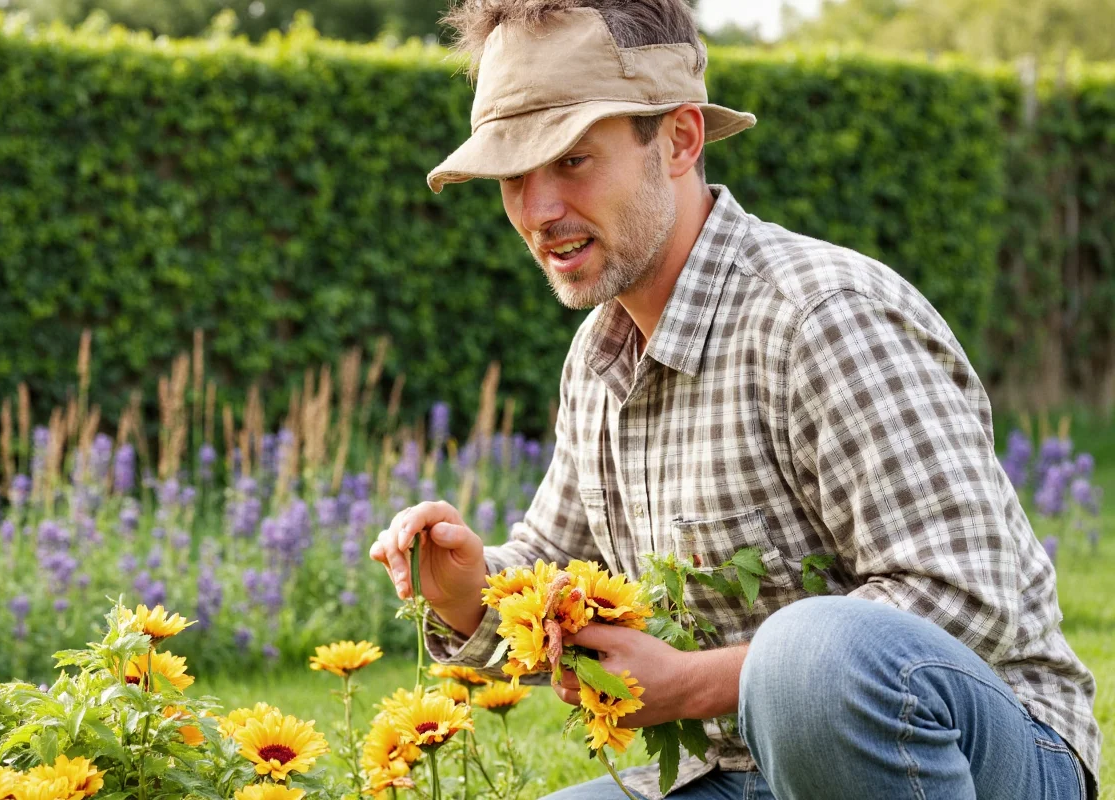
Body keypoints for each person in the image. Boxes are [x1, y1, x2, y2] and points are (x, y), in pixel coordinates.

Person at [370, 1, 1101, 797]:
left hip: (980, 755)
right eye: (514, 175)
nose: (539, 211)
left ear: (680, 140)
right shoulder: (600, 355)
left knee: (813, 652)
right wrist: (469, 594)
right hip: (741, 773)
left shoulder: (821, 320)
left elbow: (968, 595)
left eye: (573, 160)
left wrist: (695, 682)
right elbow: (559, 574)